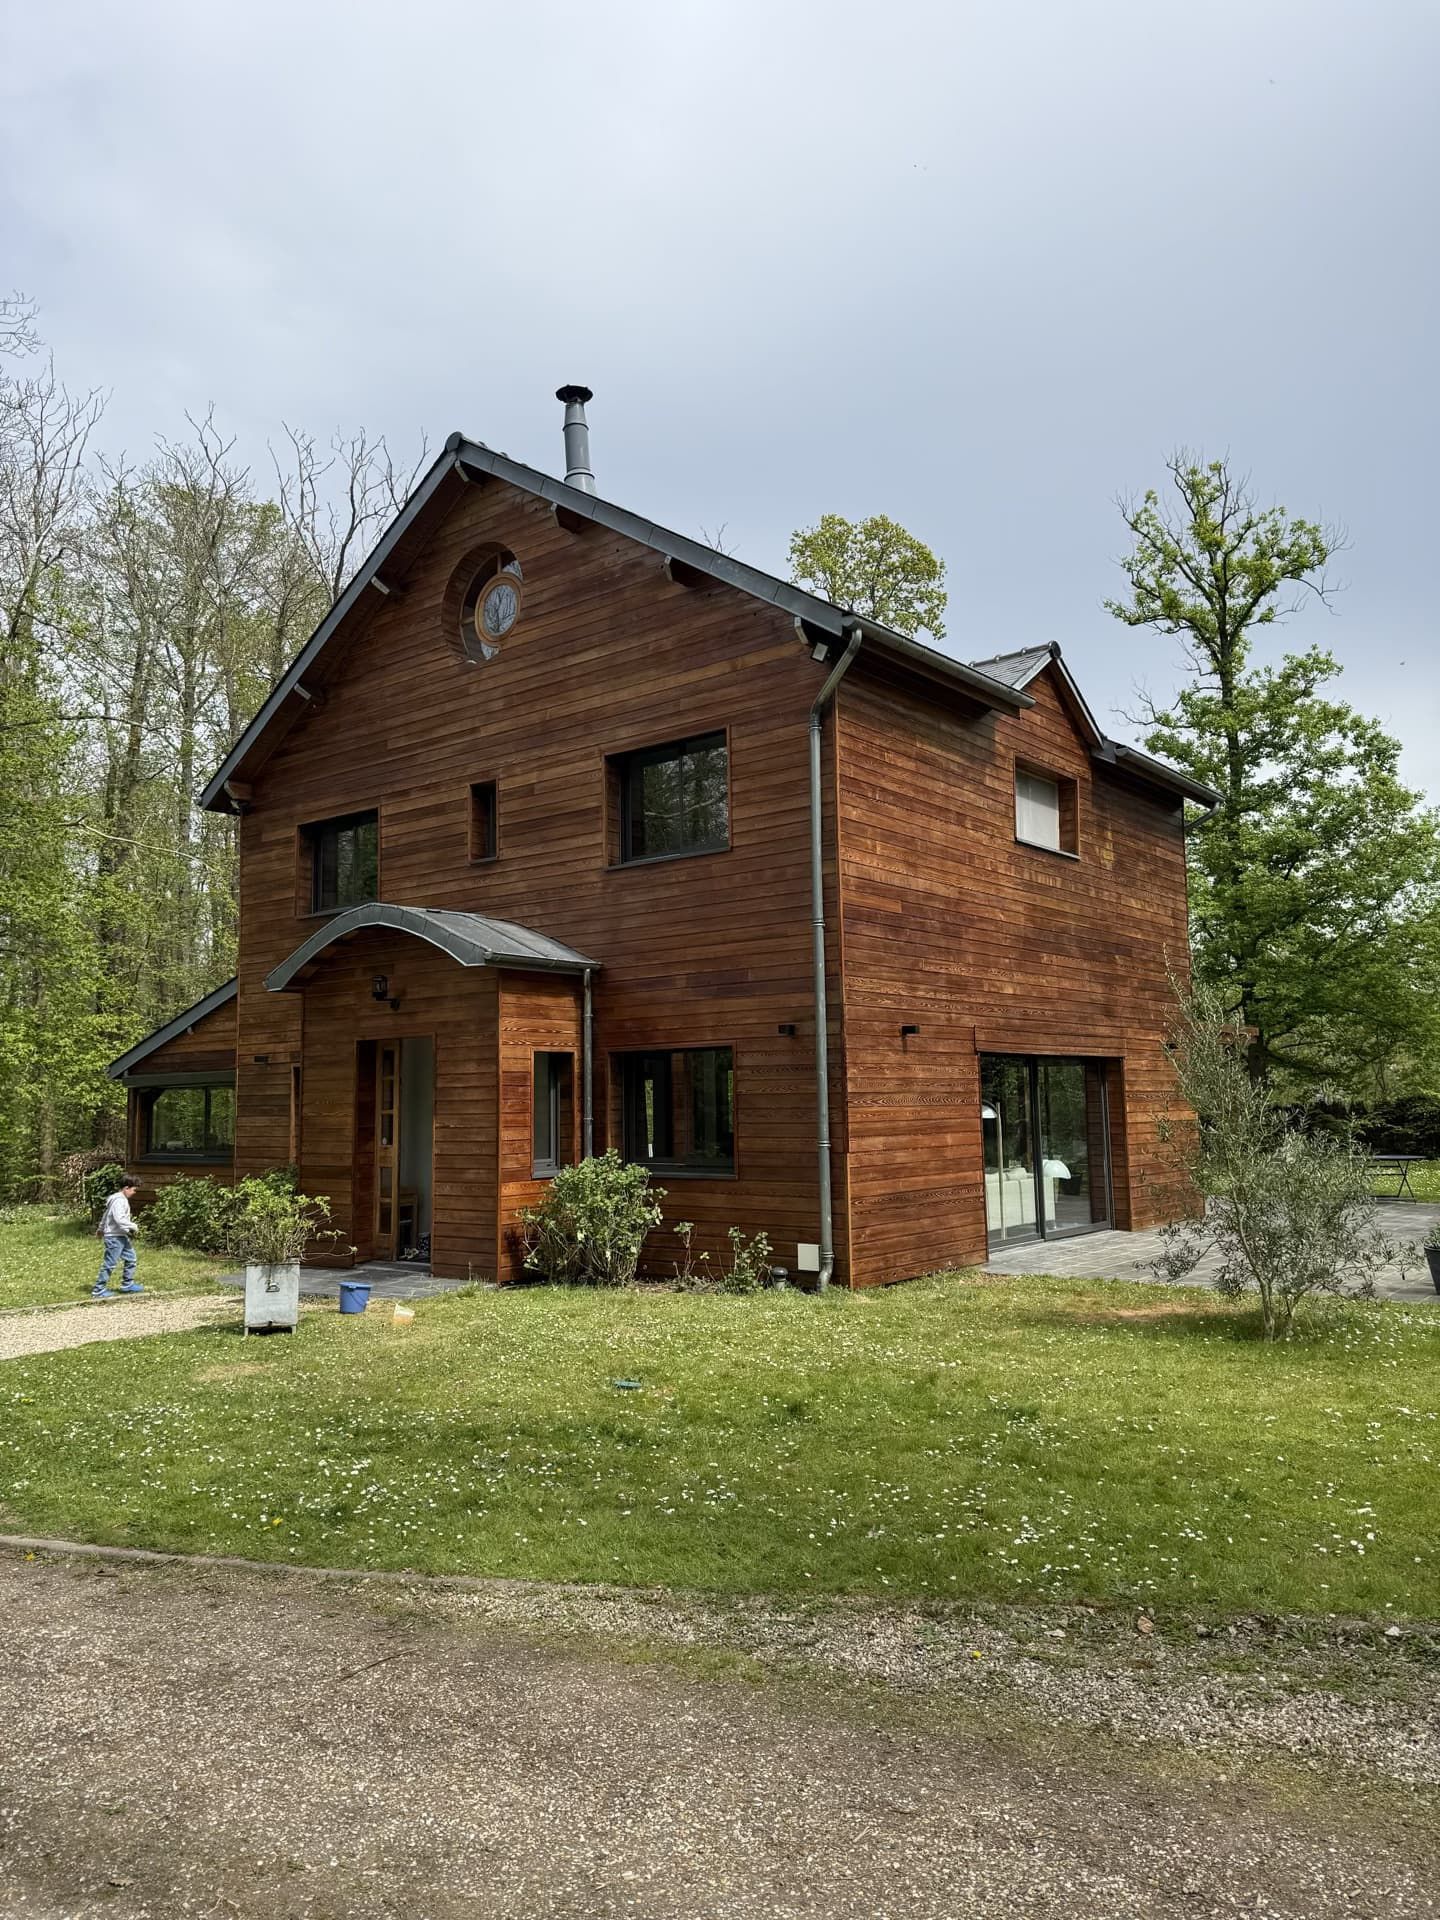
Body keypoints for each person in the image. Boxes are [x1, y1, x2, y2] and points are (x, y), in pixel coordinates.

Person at [94, 1176, 144, 1300]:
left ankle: (127, 1285)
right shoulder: (119, 1201)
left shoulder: (117, 1200)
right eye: (133, 1190)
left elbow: (106, 1216)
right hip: (114, 1237)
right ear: (126, 1188)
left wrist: (100, 1229)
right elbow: (119, 1219)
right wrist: (134, 1226)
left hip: (121, 1235)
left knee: (131, 1258)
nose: (134, 1192)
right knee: (110, 1263)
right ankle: (98, 1290)